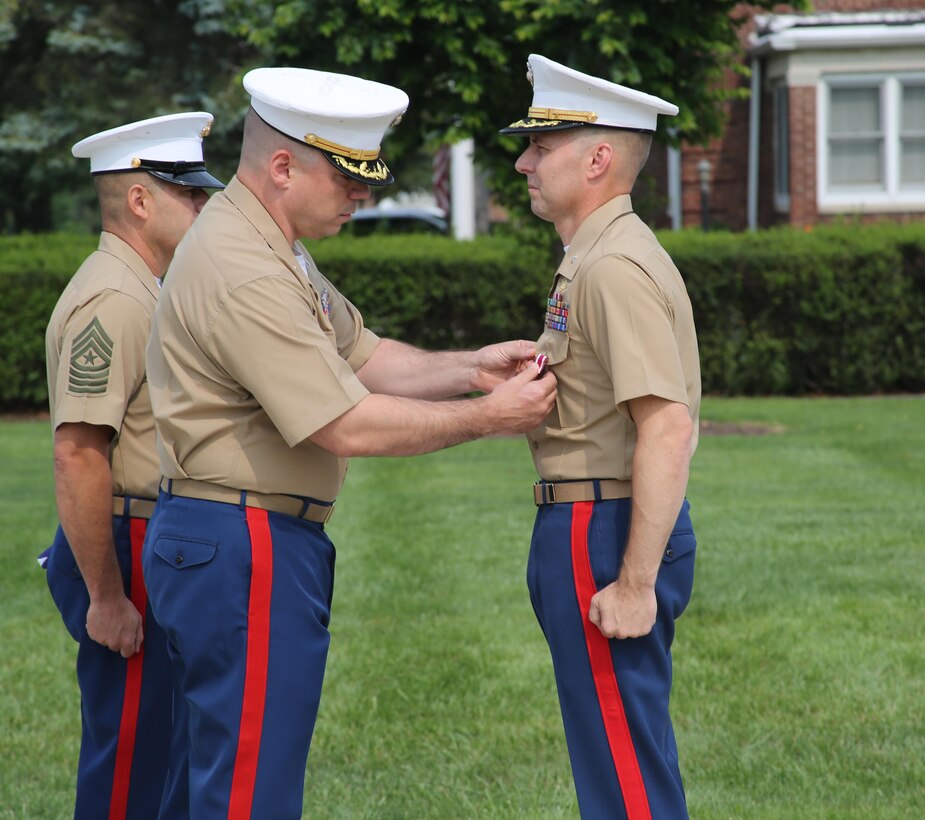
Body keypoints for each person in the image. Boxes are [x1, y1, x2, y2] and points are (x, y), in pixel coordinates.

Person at [141, 66, 557, 819]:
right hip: (244, 540)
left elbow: (362, 355)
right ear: (280, 166)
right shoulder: (243, 266)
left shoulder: (269, 245)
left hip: (233, 534)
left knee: (213, 776)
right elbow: (346, 423)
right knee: (247, 792)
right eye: (346, 176)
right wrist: (487, 419)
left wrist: (471, 370)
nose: (362, 194)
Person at [499, 54, 702, 819]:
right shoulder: (594, 256)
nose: (523, 161)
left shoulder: (611, 265)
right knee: (616, 759)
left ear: (597, 158)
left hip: (604, 524)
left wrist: (636, 583)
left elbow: (666, 425)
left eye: (540, 146)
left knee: (622, 772)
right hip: (591, 517)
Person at [42, 113, 224, 819]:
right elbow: (79, 452)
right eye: (192, 194)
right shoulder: (113, 297)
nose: (207, 208)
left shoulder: (146, 286)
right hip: (126, 546)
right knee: (132, 770)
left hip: (150, 539)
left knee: (166, 755)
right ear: (142, 201)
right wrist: (107, 597)